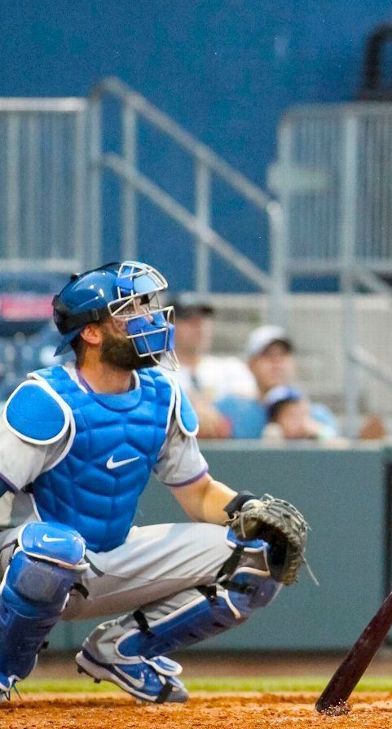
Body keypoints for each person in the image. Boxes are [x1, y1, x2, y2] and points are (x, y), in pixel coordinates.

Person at [0, 261, 306, 701]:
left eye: (147, 304)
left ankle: (121, 650)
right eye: (129, 310)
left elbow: (198, 494)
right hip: (26, 560)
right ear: (91, 332)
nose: (149, 317)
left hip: (110, 555)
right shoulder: (46, 399)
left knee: (257, 558)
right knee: (54, 550)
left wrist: (246, 509)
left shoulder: (163, 393)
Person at [170, 293, 257, 439]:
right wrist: (192, 409)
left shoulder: (230, 368)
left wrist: (208, 410)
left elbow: (249, 404)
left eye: (203, 320)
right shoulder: (156, 371)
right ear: (170, 324)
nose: (199, 327)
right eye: (189, 320)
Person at [261, 385, 339, 442]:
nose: (298, 420)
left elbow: (342, 448)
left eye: (302, 414)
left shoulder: (316, 435)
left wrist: (321, 433)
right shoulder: (272, 437)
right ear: (275, 419)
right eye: (291, 415)